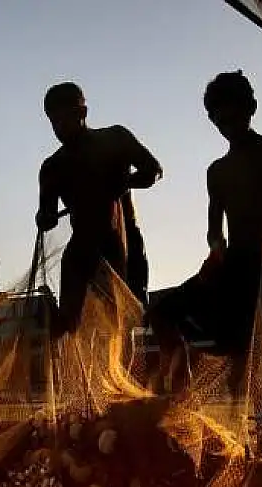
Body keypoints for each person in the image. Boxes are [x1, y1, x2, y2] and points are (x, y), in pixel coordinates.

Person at [147, 71, 262, 437]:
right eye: (219, 121)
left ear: (251, 109)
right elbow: (214, 228)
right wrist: (216, 250)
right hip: (232, 264)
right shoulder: (217, 171)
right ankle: (178, 395)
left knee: (261, 350)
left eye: (232, 117)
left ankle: (261, 441)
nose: (226, 126)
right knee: (162, 312)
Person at [36, 82, 163, 337]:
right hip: (81, 253)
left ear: (82, 113)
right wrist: (44, 217)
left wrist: (123, 184)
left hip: (122, 245)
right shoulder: (53, 167)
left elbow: (153, 170)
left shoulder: (115, 138)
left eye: (66, 118)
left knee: (128, 321)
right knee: (69, 324)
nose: (59, 127)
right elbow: (46, 215)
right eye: (54, 121)